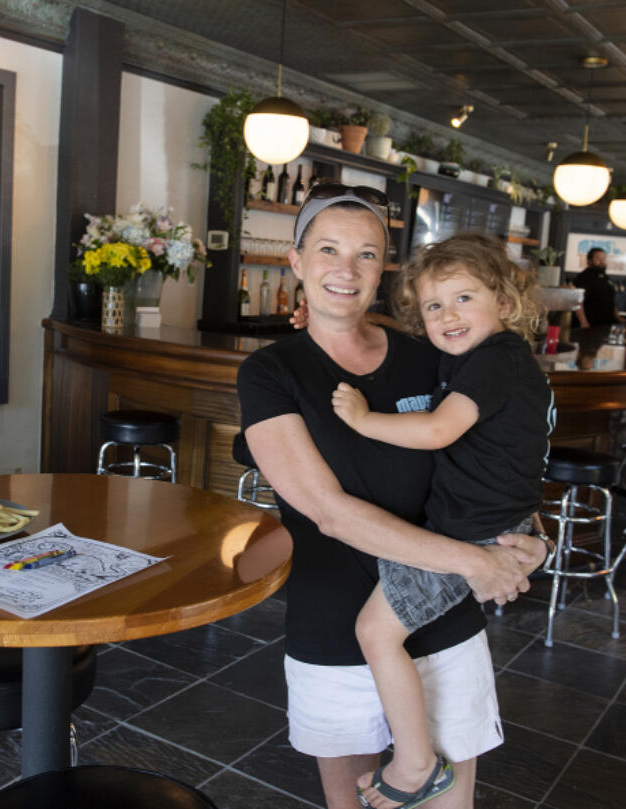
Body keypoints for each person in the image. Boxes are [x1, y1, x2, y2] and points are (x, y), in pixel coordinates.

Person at [237, 183, 549, 809]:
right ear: (296, 261)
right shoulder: (271, 372)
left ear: (384, 271)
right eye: (327, 250)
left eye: (367, 255)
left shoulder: (433, 354)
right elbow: (327, 511)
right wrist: (474, 561)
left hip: (442, 624)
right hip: (336, 628)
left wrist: (531, 538)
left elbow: (491, 453)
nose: (345, 270)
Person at [329, 234, 553, 809]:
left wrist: (361, 419)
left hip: (470, 534)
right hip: (494, 521)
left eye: (463, 299)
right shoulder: (491, 357)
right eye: (433, 306)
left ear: (504, 302)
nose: (447, 316)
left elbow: (435, 430)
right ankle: (416, 758)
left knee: (376, 633)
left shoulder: (495, 360)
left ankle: (415, 764)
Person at [572, 248, 623, 328]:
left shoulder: (605, 277)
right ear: (589, 261)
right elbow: (577, 301)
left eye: (604, 258)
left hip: (606, 324)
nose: (602, 261)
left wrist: (618, 317)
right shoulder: (584, 277)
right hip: (591, 325)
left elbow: (610, 301)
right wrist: (584, 322)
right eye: (598, 258)